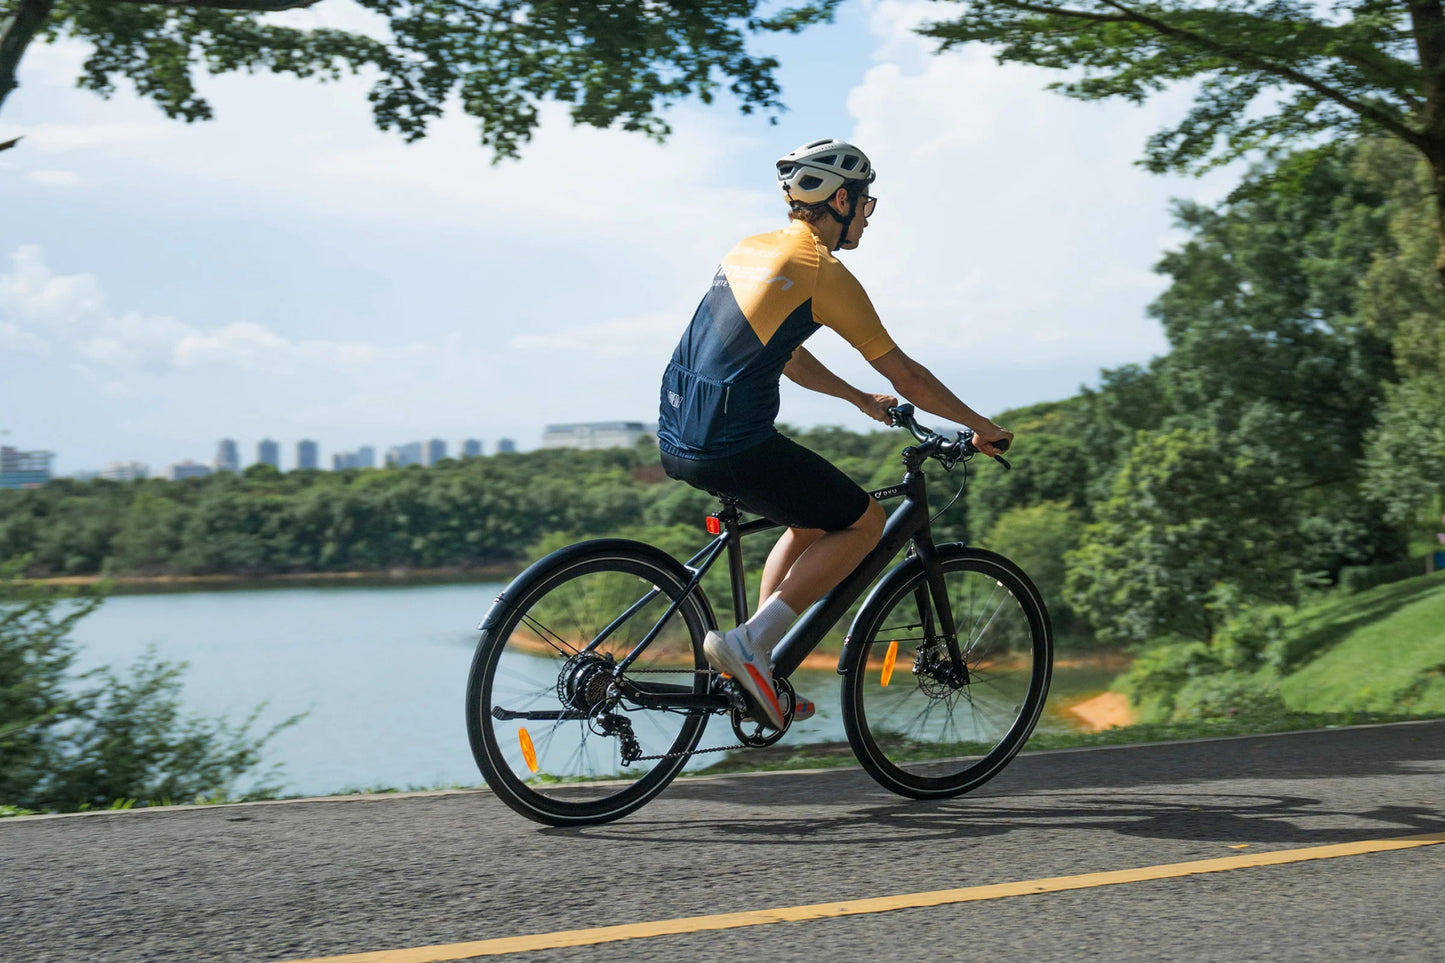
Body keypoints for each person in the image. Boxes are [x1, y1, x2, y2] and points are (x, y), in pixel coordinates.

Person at [656, 138, 1013, 730]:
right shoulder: (823, 271)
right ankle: (751, 644)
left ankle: (759, 658)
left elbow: (790, 356)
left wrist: (856, 398)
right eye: (865, 203)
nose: (867, 217)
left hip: (677, 431)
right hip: (732, 442)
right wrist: (983, 428)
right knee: (865, 523)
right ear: (841, 200)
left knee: (810, 522)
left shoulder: (750, 251)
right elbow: (907, 376)